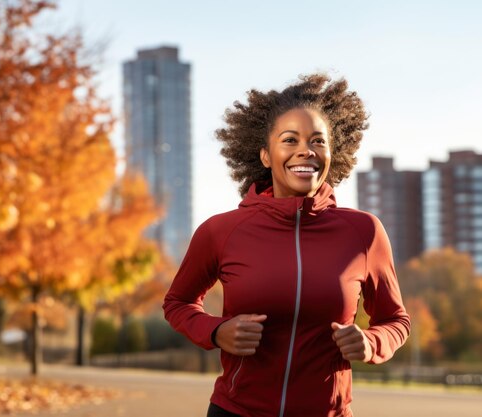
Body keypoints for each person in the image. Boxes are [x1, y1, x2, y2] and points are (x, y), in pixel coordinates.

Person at [163, 74, 410, 417]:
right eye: (290, 139)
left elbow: (396, 319)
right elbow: (178, 302)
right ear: (266, 155)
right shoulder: (222, 231)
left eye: (318, 141)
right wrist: (217, 331)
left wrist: (371, 342)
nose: (305, 150)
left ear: (331, 153)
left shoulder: (364, 232)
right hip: (237, 411)